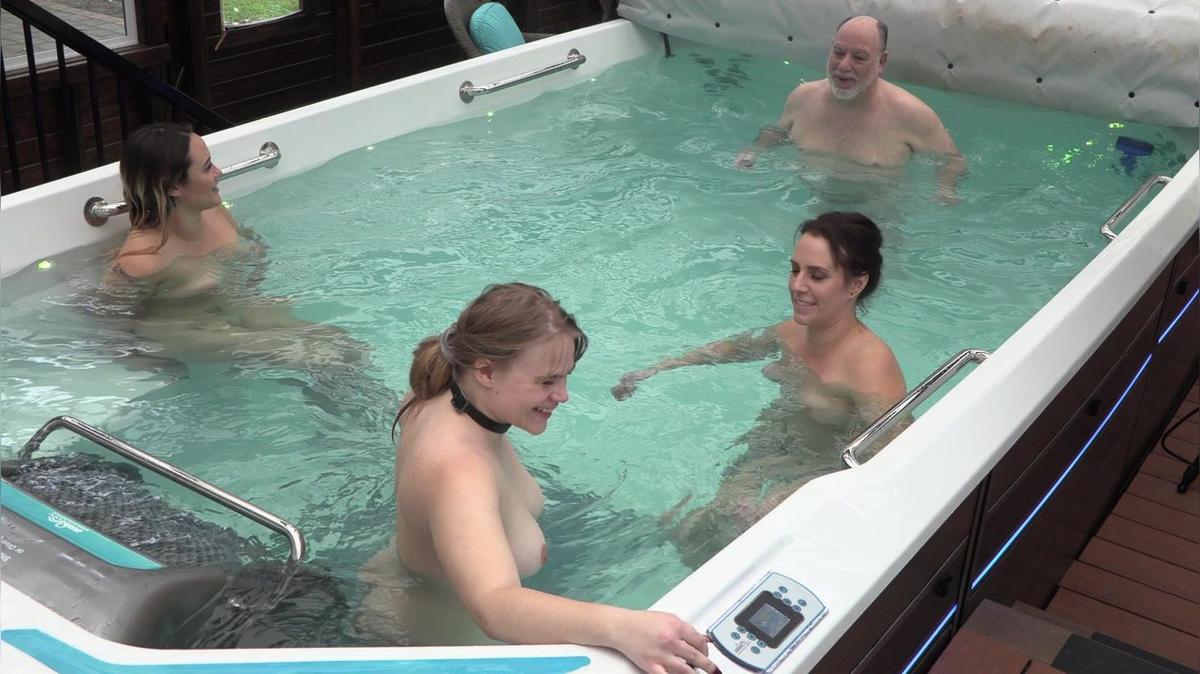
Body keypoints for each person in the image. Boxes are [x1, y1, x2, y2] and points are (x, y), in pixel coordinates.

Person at [357, 283, 717, 674]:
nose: (562, 396)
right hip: (440, 647)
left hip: (403, 588)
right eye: (546, 381)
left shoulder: (436, 391)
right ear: (486, 371)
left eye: (565, 378)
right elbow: (494, 606)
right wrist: (624, 627)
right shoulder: (460, 471)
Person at [613, 212, 906, 567]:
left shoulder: (870, 364)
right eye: (794, 269)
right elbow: (735, 349)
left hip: (814, 475)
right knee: (689, 531)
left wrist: (795, 495)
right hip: (766, 450)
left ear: (856, 285)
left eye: (817, 275)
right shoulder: (794, 333)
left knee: (739, 536)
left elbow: (893, 457)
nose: (798, 285)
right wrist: (657, 369)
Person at [101, 123, 388, 421]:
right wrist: (147, 362)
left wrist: (254, 283)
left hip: (236, 306)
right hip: (190, 331)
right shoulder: (142, 260)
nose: (219, 173)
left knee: (345, 345)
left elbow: (250, 242)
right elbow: (109, 320)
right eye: (208, 166)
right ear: (174, 186)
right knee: (315, 356)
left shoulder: (212, 210)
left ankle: (374, 416)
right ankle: (347, 434)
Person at [737, 16, 966, 203]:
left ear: (881, 62)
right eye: (838, 52)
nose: (844, 66)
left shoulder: (911, 115)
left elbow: (953, 160)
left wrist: (945, 190)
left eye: (859, 57)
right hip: (812, 200)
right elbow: (778, 133)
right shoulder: (803, 98)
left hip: (877, 216)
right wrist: (753, 151)